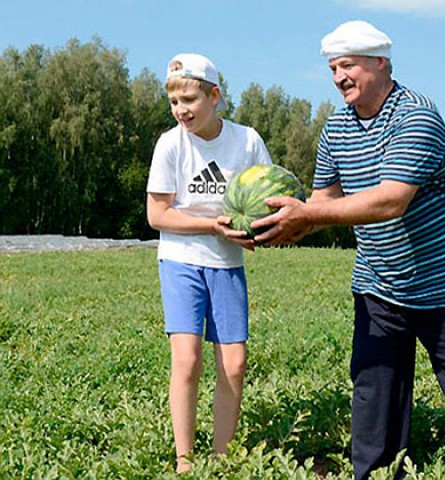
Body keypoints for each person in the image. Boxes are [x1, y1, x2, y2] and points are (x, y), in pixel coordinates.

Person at [251, 21, 445, 480]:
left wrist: (306, 216)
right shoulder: (335, 128)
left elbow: (391, 200)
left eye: (347, 65)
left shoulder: (416, 116)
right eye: (333, 68)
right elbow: (322, 203)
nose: (338, 77)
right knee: (374, 395)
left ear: (381, 63)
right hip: (379, 283)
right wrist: (272, 227)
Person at [146, 53, 271, 473]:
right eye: (174, 102)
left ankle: (222, 459)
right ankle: (185, 462)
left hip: (228, 265)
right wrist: (211, 227)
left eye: (190, 100)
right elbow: (157, 215)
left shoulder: (247, 141)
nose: (181, 110)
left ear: (215, 96)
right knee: (187, 360)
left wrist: (262, 230)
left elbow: (270, 200)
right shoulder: (170, 144)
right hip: (180, 260)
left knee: (234, 363)